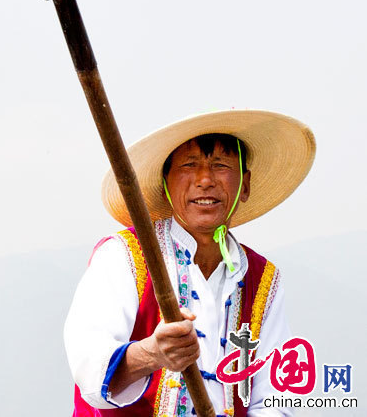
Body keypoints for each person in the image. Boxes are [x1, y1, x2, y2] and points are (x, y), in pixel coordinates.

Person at [64, 109, 316, 417]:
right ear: (166, 183)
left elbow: (276, 399)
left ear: (245, 184)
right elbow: (88, 365)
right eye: (189, 165)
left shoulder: (262, 279)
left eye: (220, 164)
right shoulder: (123, 256)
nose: (206, 180)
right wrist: (151, 355)